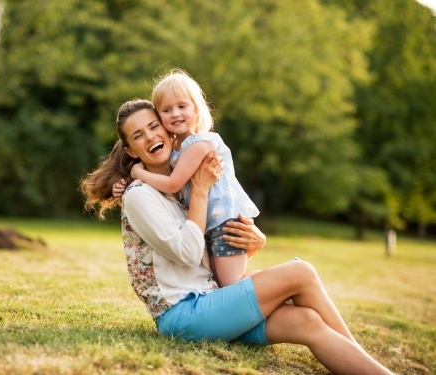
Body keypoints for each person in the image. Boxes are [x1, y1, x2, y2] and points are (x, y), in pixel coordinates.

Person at [80, 99, 393, 375]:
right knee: (301, 272)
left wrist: (253, 245)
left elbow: (207, 262)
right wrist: (202, 191)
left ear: (167, 130)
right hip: (183, 316)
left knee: (307, 321)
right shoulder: (140, 196)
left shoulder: (178, 188)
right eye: (138, 135)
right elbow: (188, 254)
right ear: (131, 150)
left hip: (211, 301)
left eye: (153, 127)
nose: (150, 136)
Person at [120, 69, 259, 288]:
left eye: (182, 106)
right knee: (224, 285)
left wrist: (138, 173)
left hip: (226, 224)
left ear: (196, 108)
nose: (175, 113)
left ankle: (284, 286)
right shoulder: (176, 148)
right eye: (167, 110)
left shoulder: (198, 144)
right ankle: (282, 287)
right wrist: (122, 184)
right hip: (210, 227)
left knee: (232, 286)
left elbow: (173, 183)